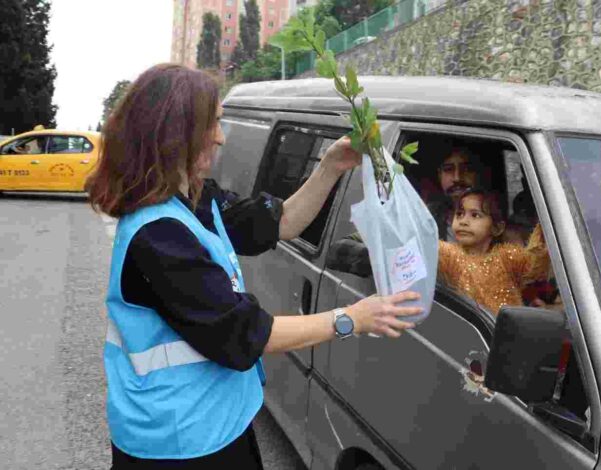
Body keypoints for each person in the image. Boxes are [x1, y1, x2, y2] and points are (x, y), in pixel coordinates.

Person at [86, 64, 421, 468]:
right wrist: (351, 318)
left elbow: (277, 222)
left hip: (218, 419)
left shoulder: (194, 198)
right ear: (175, 135)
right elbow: (247, 333)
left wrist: (331, 165)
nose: (221, 137)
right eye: (212, 125)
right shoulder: (157, 238)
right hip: (178, 442)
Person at [436, 188, 552, 315]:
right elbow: (425, 245)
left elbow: (536, 263)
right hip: (474, 331)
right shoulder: (449, 255)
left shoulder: (507, 257)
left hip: (510, 331)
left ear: (497, 228)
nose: (463, 221)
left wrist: (546, 222)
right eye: (459, 214)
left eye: (475, 215)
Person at [425, 147, 484, 241]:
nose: (457, 178)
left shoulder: (492, 219)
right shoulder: (427, 218)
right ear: (440, 175)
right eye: (449, 169)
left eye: (466, 169)